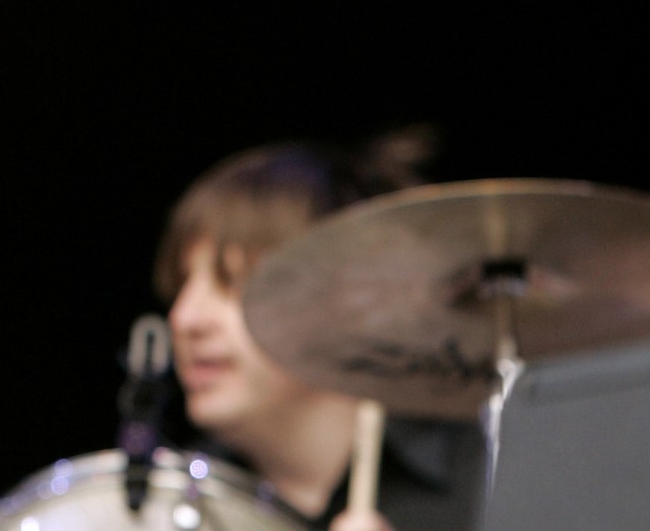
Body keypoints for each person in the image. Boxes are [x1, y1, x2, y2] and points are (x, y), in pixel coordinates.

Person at [155, 135, 484, 531]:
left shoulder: (491, 480)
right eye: (182, 285)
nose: (185, 318)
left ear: (354, 302)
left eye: (236, 284)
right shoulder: (169, 507)